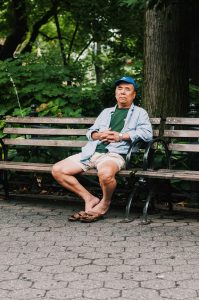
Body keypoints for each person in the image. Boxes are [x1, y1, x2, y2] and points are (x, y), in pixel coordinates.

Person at [51, 76, 153, 222]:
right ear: (115, 93)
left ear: (134, 94)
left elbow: (147, 134)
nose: (122, 92)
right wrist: (98, 135)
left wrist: (121, 136)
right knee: (57, 170)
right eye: (120, 89)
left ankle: (104, 203)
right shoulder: (106, 112)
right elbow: (90, 132)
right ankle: (90, 198)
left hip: (115, 154)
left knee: (105, 174)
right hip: (91, 152)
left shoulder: (139, 113)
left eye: (127, 89)